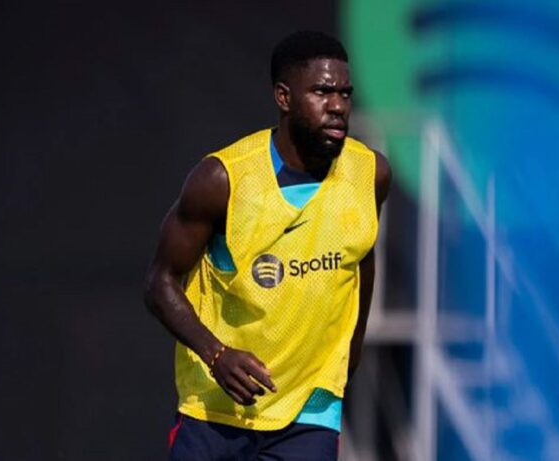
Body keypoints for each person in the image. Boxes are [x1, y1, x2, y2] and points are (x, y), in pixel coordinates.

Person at [144, 30, 391, 460]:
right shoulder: (223, 180)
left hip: (310, 408)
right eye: (322, 92)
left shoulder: (370, 174)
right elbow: (159, 283)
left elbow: (361, 260)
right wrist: (216, 355)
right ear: (284, 97)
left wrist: (347, 361)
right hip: (216, 408)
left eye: (345, 94)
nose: (337, 105)